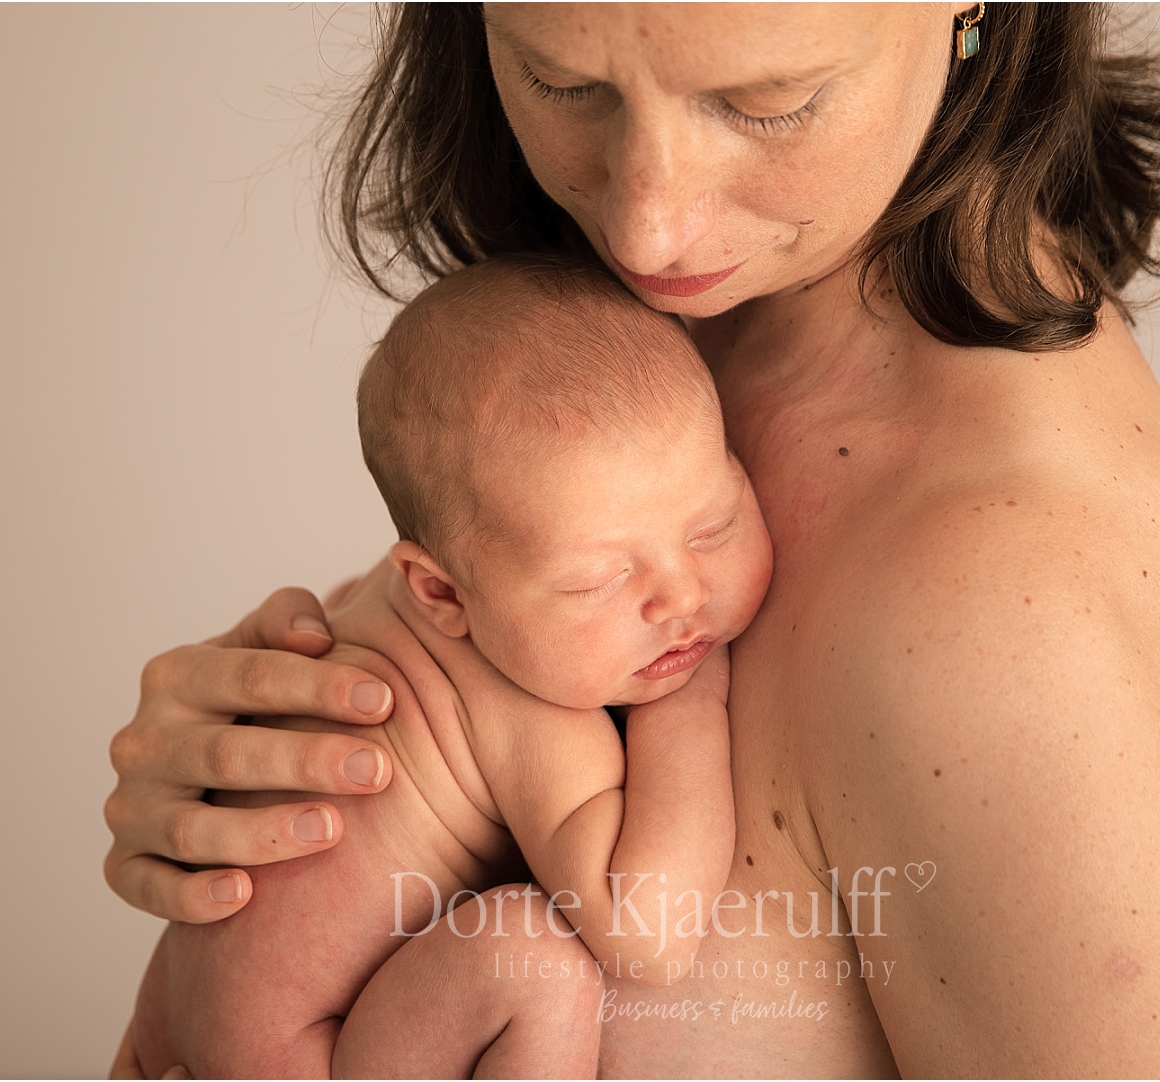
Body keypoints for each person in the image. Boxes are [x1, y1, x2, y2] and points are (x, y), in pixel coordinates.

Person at [107, 4, 1160, 1076]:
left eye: (768, 100)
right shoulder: (644, 334)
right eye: (562, 83)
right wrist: (258, 786)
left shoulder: (1020, 604)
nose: (646, 223)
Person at [130, 254, 771, 1077]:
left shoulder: (367, 603)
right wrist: (692, 703)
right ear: (441, 592)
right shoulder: (527, 706)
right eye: (598, 581)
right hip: (308, 1056)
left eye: (714, 525)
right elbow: (648, 937)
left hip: (173, 1021)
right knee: (535, 953)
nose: (681, 598)